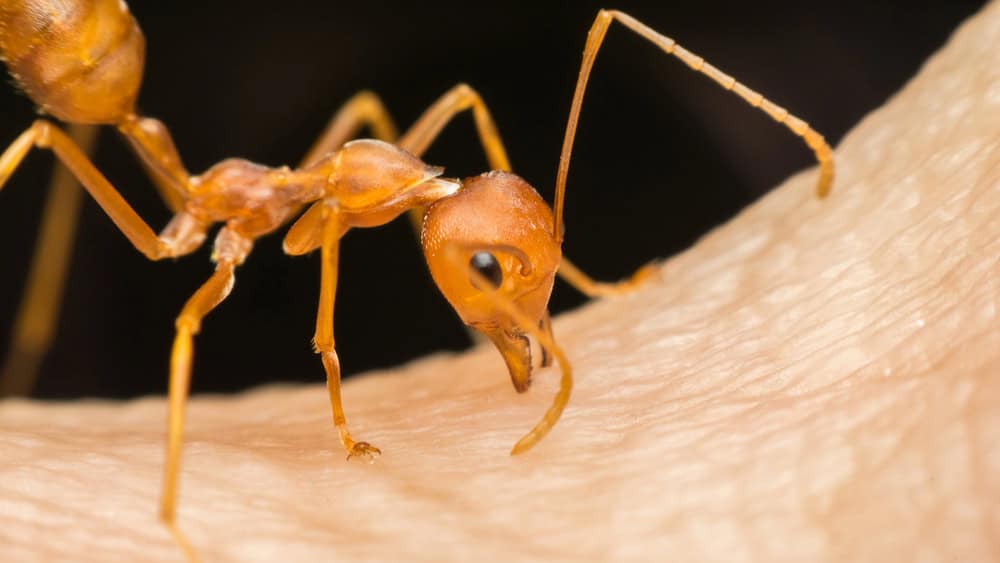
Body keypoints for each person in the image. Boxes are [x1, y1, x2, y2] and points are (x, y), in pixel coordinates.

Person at [1, 3, 997, 561]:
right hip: (76, 44)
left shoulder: (367, 187)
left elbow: (374, 210)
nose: (505, 300)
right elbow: (332, 226)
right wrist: (329, 387)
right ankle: (166, 510)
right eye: (498, 276)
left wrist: (563, 278)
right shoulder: (326, 199)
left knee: (420, 115)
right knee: (71, 164)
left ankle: (584, 274)